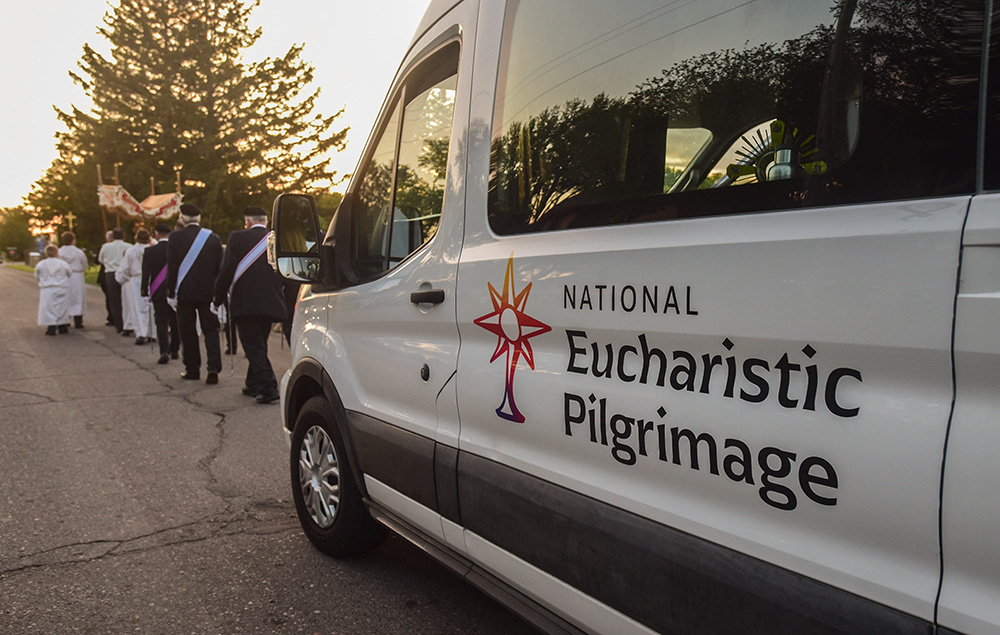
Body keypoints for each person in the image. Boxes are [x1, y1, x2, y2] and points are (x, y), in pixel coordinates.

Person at [214, 206, 287, 403]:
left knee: (253, 346)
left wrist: (218, 298)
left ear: (247, 222)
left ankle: (269, 388)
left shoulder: (237, 238)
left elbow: (227, 270)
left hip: (245, 301)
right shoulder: (277, 238)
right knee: (259, 344)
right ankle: (252, 384)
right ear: (265, 221)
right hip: (270, 301)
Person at [167, 203, 223, 384]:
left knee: (188, 331)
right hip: (208, 292)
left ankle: (192, 369)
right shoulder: (213, 238)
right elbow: (219, 268)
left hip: (185, 292)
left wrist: (170, 290)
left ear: (181, 219)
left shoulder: (175, 237)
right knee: (211, 331)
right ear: (199, 219)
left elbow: (172, 267)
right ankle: (213, 367)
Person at [142, 223, 181, 364]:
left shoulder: (149, 251)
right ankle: (175, 349)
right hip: (174, 291)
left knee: (161, 322)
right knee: (176, 322)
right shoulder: (177, 250)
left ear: (156, 235)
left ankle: (164, 351)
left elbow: (145, 274)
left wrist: (144, 291)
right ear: (170, 235)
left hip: (158, 291)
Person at [117, 228, 153, 345]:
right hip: (150, 279)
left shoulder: (131, 251)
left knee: (137, 307)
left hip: (136, 279)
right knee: (150, 306)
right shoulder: (152, 249)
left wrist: (126, 278)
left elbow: (125, 268)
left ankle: (140, 333)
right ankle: (152, 332)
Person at [98, 227, 132, 333]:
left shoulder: (106, 246)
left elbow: (101, 259)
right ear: (123, 236)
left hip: (111, 273)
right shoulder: (129, 246)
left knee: (114, 300)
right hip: (124, 273)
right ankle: (128, 323)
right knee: (126, 299)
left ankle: (119, 324)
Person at [34, 244, 73, 335]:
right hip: (61, 288)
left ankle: (51, 327)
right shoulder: (63, 264)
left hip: (47, 289)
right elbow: (69, 273)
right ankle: (62, 327)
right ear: (57, 253)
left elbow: (36, 275)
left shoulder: (41, 264)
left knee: (49, 308)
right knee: (62, 308)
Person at [58, 231, 89, 328]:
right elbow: (84, 264)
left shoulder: (59, 252)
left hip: (64, 276)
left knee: (66, 297)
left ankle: (65, 320)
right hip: (76, 276)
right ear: (73, 240)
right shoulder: (79, 252)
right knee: (77, 297)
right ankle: (78, 321)